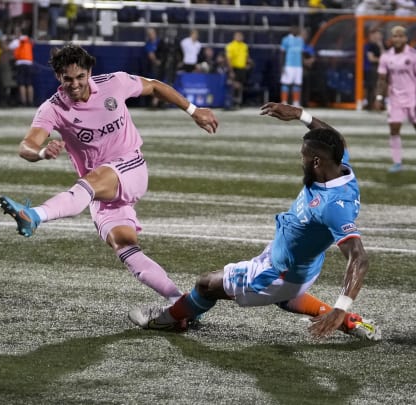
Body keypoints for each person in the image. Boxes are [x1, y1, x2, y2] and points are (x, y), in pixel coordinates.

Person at [128, 102, 381, 342]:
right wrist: (300, 115)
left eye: (303, 156)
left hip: (278, 273)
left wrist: (339, 307)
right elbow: (332, 136)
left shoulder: (332, 206)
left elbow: (359, 258)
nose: (300, 160)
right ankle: (351, 322)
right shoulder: (340, 163)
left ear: (316, 162)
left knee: (206, 285)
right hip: (298, 263)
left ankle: (167, 319)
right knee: (286, 298)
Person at [0, 44, 218, 304]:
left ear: (90, 71)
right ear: (58, 77)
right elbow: (27, 146)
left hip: (130, 167)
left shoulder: (115, 83)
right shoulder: (52, 108)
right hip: (101, 192)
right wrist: (42, 153)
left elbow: (155, 86)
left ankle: (33, 215)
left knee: (88, 183)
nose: (75, 84)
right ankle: (178, 300)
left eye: (80, 77)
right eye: (68, 79)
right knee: (125, 246)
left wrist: (193, 111)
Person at [374, 25, 416, 173]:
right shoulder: (386, 56)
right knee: (394, 129)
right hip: (395, 99)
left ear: (405, 38)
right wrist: (379, 97)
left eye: (401, 36)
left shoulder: (413, 55)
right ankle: (397, 162)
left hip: (413, 97)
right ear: (391, 39)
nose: (398, 39)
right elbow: (382, 79)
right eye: (395, 36)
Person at [9, 28, 35, 107]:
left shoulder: (17, 41)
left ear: (19, 33)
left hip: (21, 64)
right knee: (29, 84)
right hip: (29, 63)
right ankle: (30, 102)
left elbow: (9, 47)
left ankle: (23, 102)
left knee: (22, 84)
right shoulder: (28, 40)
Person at [280, 26, 305, 107]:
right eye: (294, 29)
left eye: (297, 29)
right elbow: (282, 53)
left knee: (297, 84)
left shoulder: (300, 40)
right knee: (286, 83)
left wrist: (302, 65)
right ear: (290, 30)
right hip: (288, 65)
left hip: (298, 66)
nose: (295, 30)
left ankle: (296, 102)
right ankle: (284, 102)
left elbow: (302, 53)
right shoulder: (285, 39)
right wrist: (282, 65)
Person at [225, 31, 249, 109]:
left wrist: (247, 64)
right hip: (234, 68)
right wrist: (231, 71)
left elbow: (246, 57)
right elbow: (228, 59)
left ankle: (238, 103)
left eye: (240, 36)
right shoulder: (230, 46)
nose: (239, 37)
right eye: (238, 36)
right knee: (235, 85)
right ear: (234, 37)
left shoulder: (244, 46)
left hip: (242, 69)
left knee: (240, 86)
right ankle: (232, 102)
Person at [363, 28, 384, 111]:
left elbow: (386, 56)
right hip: (371, 69)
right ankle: (370, 103)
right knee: (371, 87)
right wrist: (382, 60)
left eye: (379, 35)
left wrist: (381, 46)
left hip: (381, 69)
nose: (377, 37)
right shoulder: (369, 46)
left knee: (380, 87)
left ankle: (380, 103)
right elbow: (371, 59)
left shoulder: (383, 45)